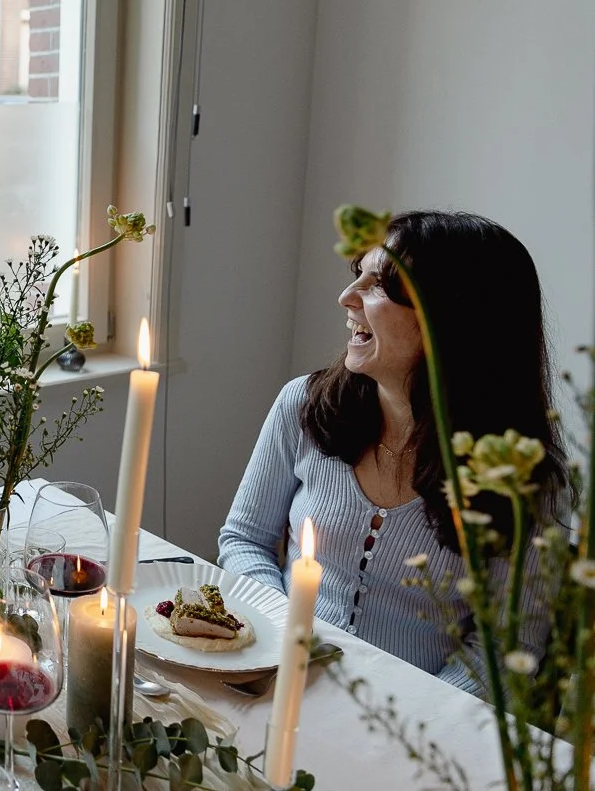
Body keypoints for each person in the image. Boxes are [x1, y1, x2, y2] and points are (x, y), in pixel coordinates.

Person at [218, 210, 572, 692]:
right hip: (275, 680)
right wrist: (284, 638)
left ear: (453, 317)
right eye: (355, 276)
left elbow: (507, 651)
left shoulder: (527, 479)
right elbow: (244, 540)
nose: (346, 298)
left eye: (378, 285)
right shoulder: (302, 405)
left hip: (414, 731)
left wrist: (405, 722)